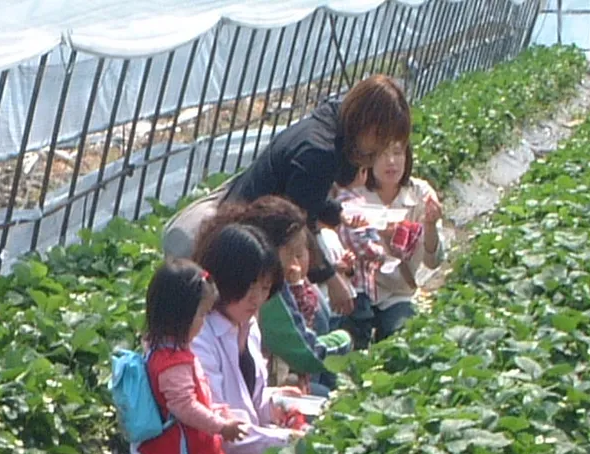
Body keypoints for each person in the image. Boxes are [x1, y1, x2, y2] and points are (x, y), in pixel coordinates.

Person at [163, 75, 412, 315]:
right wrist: (330, 277)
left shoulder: (330, 122)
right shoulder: (319, 151)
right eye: (379, 137)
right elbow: (301, 223)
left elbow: (303, 197)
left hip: (248, 227)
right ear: (364, 121)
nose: (379, 149)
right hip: (245, 245)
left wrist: (338, 213)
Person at [128, 259, 245, 454]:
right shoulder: (173, 364)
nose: (203, 323)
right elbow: (185, 407)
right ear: (179, 315)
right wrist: (221, 426)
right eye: (202, 315)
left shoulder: (160, 348)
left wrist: (216, 409)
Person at [201, 195, 356, 392]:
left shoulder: (250, 323)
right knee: (323, 394)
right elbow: (306, 354)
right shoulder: (211, 331)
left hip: (258, 401)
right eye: (293, 254)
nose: (256, 298)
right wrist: (346, 340)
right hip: (235, 416)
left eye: (301, 254)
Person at [191, 223, 301, 454]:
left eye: (264, 288)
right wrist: (290, 440)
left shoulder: (247, 324)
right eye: (248, 286)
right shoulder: (199, 337)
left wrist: (276, 402)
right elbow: (221, 430)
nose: (256, 299)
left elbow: (248, 401)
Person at [337, 137, 444, 344]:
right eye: (382, 154)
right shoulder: (353, 195)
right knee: (351, 345)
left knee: (400, 338)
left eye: (397, 153)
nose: (391, 162)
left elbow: (433, 262)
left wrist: (430, 226)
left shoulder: (419, 195)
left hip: (397, 293)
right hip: (357, 292)